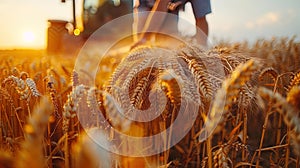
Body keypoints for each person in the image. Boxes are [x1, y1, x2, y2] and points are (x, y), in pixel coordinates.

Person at [132, 0, 211, 47]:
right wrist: (144, 38)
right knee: (141, 45)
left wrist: (202, 49)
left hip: (172, 5)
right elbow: (161, 6)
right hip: (146, 3)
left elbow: (201, 19)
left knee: (168, 40)